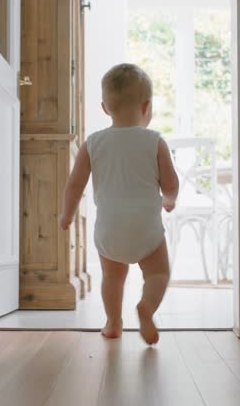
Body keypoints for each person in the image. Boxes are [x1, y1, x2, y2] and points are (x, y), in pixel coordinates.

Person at [58, 63, 179, 345]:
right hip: (145, 228)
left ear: (104, 107)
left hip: (109, 229)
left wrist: (67, 214)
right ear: (147, 106)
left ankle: (113, 323)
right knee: (158, 272)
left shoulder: (93, 143)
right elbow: (170, 182)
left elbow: (74, 184)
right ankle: (146, 307)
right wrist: (169, 200)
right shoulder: (154, 141)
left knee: (112, 278)